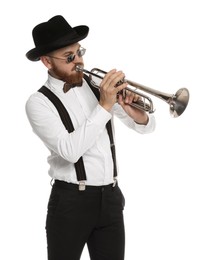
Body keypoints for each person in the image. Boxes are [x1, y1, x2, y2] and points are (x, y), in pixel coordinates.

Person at [25, 15, 156, 260]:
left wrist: (136, 114)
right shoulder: (38, 103)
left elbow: (146, 128)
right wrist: (104, 106)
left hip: (111, 199)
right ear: (46, 61)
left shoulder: (96, 84)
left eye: (79, 52)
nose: (79, 62)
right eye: (69, 57)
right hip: (70, 203)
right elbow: (70, 151)